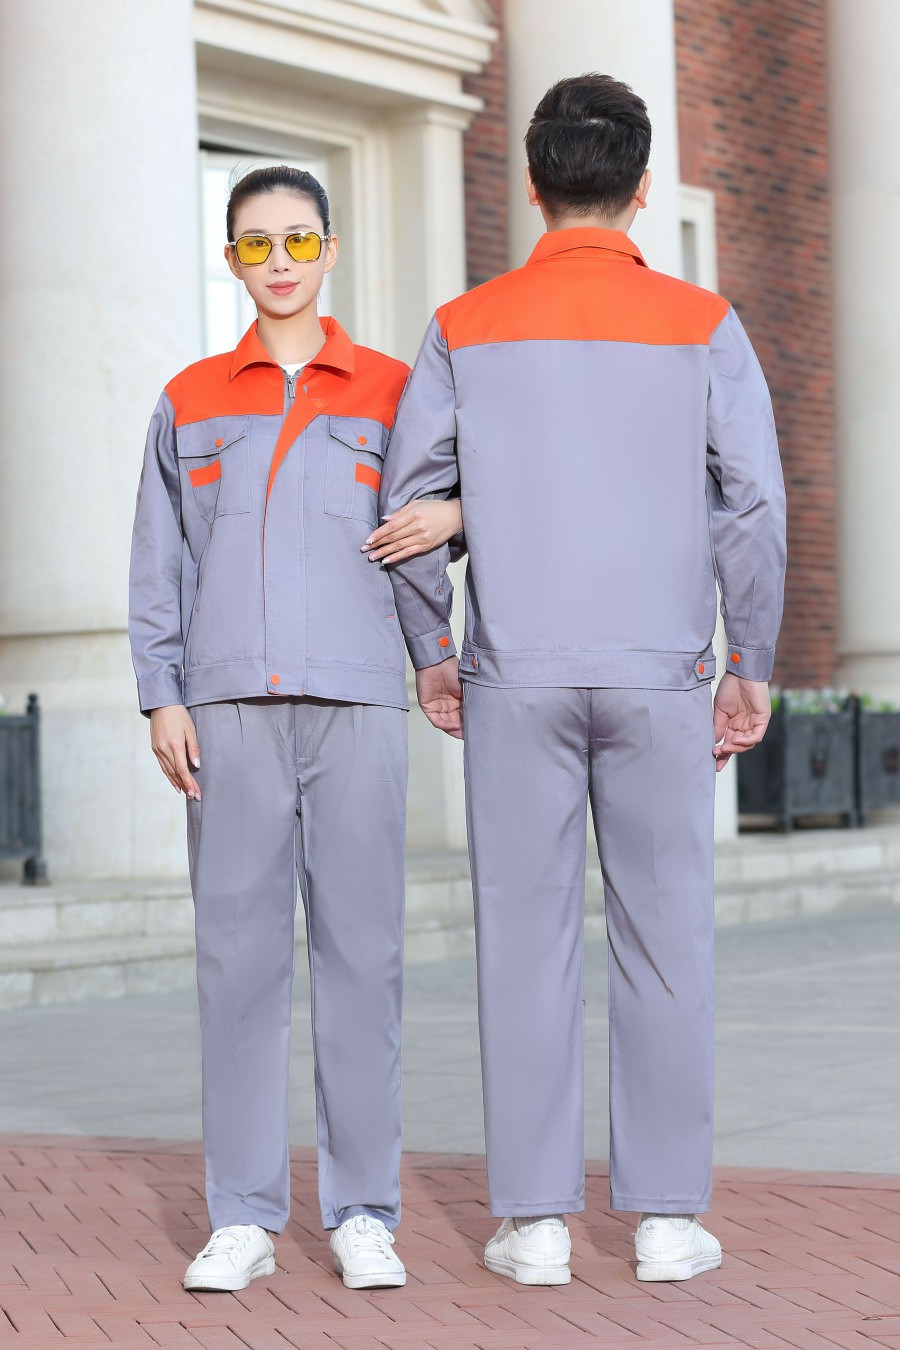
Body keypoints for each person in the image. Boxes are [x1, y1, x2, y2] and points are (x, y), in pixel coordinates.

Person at [374, 74, 786, 1285]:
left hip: (516, 673)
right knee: (667, 940)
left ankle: (538, 1225)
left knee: (525, 937)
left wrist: (434, 653)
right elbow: (754, 511)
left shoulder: (465, 325)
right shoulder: (703, 323)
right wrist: (749, 664)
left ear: (533, 182)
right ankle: (664, 1222)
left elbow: (407, 511)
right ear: (644, 188)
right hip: (661, 672)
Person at [128, 165, 462, 1294]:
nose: (280, 262)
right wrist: (162, 693)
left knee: (363, 960)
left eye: (300, 240)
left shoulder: (394, 389)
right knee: (238, 967)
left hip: (356, 706)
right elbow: (159, 562)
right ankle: (243, 1215)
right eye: (257, 244)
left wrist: (438, 645)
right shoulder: (187, 399)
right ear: (230, 259)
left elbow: (428, 534)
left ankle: (365, 1211)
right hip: (226, 712)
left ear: (330, 248)